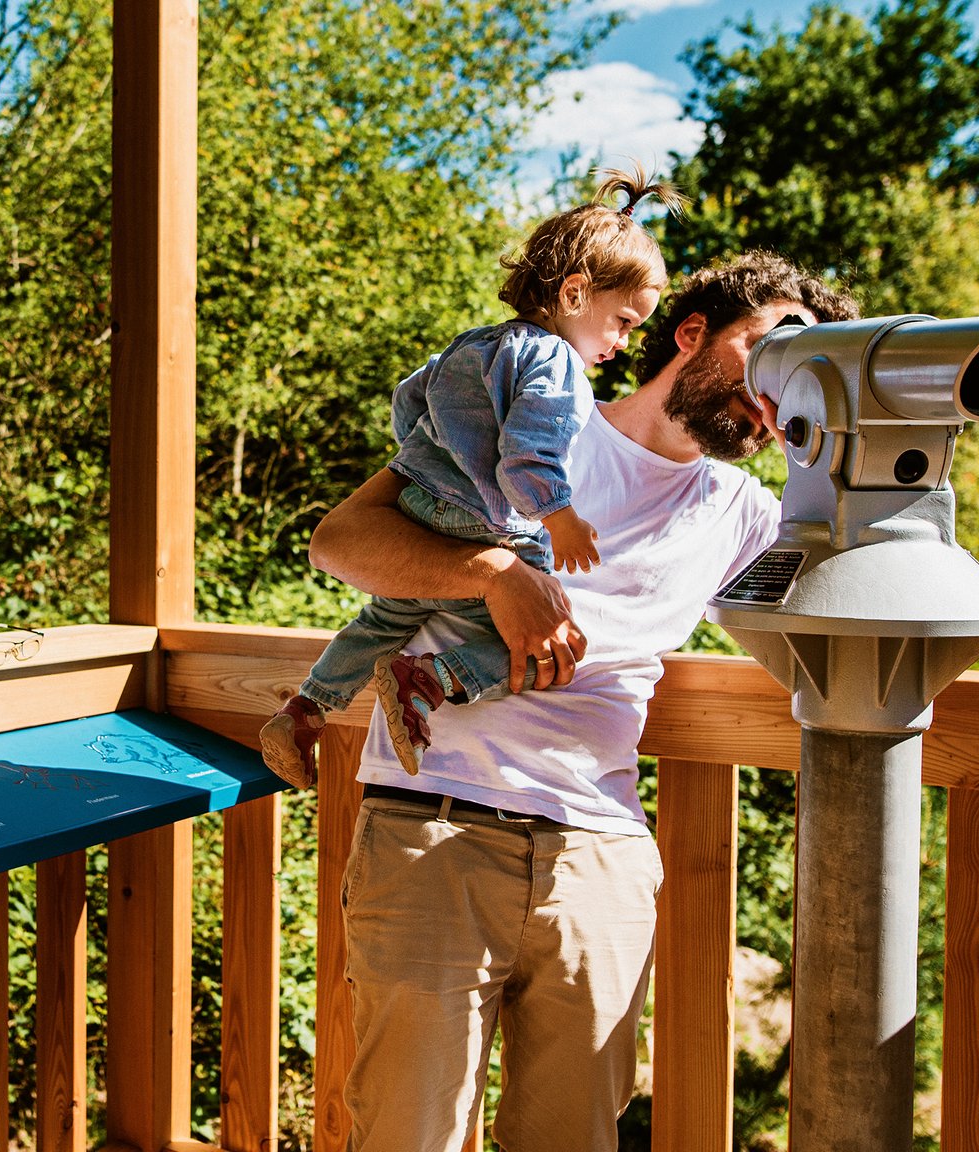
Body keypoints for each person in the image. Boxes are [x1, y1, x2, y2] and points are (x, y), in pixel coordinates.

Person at [308, 251, 859, 1151]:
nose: (775, 392)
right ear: (692, 335)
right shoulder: (535, 420)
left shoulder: (747, 514)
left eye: (804, 376)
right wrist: (490, 573)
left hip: (600, 855)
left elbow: (843, 624)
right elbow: (342, 540)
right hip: (436, 831)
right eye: (770, 351)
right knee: (406, 1137)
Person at [260, 169, 684, 790]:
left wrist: (423, 462)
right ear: (573, 295)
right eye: (622, 320)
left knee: (386, 617)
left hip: (418, 503)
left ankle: (305, 709)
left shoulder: (476, 343)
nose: (623, 341)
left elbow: (411, 401)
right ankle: (430, 680)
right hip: (485, 519)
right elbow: (526, 456)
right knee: (555, 633)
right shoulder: (561, 364)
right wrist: (559, 518)